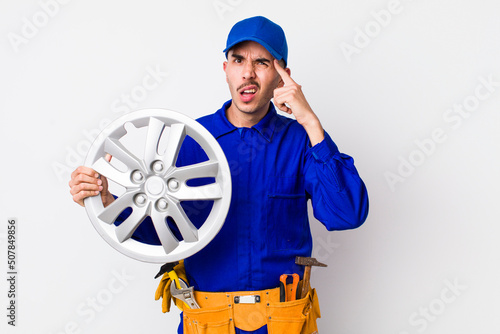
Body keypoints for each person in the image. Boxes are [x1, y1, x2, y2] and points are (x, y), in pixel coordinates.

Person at [69, 16, 369, 334]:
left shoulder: (301, 141)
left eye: (262, 62)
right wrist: (106, 200)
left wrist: (310, 121)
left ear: (283, 77)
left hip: (283, 321)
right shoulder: (189, 141)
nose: (248, 73)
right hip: (208, 321)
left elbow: (346, 214)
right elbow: (163, 233)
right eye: (238, 60)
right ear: (225, 68)